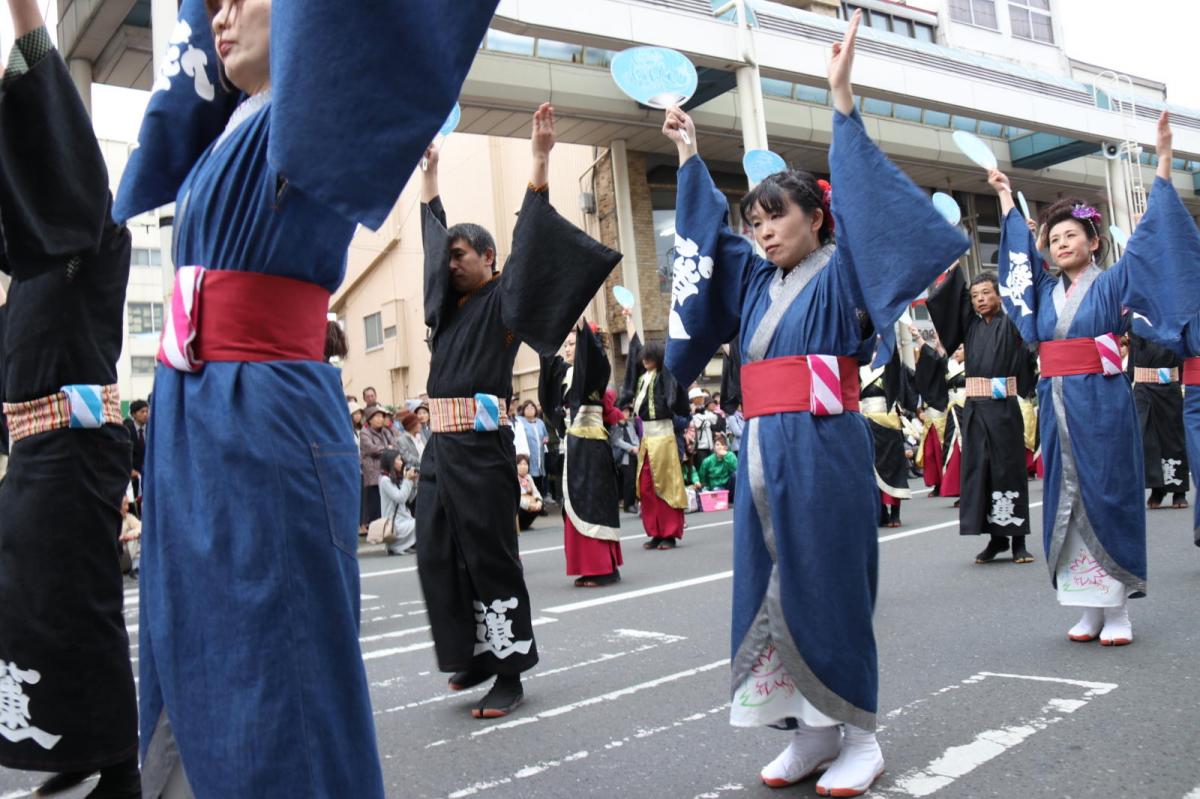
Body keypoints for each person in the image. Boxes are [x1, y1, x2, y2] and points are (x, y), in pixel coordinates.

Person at [113, 0, 498, 792]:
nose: (218, 19)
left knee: (278, 664)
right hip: (197, 417)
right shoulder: (233, 126)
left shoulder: (311, 116)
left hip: (261, 414)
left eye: (239, 0)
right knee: (197, 638)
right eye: (208, 5)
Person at [661, 13, 968, 795]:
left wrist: (842, 101)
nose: (762, 233)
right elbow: (709, 240)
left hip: (825, 442)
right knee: (770, 584)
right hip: (765, 446)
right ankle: (807, 731)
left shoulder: (846, 269)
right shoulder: (757, 279)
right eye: (756, 221)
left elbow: (870, 214)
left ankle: (859, 731)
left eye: (778, 218)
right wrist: (689, 154)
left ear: (818, 218)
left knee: (830, 579)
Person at [417, 102, 621, 718]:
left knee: (490, 555)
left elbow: (531, 242)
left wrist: (539, 159)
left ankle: (511, 671)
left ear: (489, 261)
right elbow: (430, 237)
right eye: (445, 255)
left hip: (482, 450)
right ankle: (474, 655)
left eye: (460, 255)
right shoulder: (443, 313)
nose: (449, 263)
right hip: (439, 449)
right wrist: (429, 174)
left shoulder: (505, 301)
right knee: (436, 552)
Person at [993, 108, 1200, 648]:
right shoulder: (1043, 292)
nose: (1060, 243)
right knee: (1066, 496)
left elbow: (1154, 241)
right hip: (1057, 399)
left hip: (1105, 402)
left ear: (1093, 239)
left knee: (1109, 493)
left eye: (1071, 234)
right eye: (1054, 238)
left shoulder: (1114, 282)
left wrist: (1161, 163)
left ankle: (1119, 607)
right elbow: (1017, 258)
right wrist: (1003, 197)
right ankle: (1085, 603)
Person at [0, 2, 141, 794]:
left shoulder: (93, 230)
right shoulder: (29, 263)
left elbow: (51, 136)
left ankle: (115, 763)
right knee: (35, 604)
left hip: (76, 449)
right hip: (34, 455)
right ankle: (74, 745)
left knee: (78, 604)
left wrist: (23, 20)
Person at [926, 267, 1036, 564]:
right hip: (975, 408)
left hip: (1003, 409)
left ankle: (1018, 541)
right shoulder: (970, 326)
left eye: (987, 292)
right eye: (975, 296)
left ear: (1000, 295)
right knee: (981, 471)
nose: (981, 299)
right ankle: (995, 539)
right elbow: (948, 299)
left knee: (1008, 471)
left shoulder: (1012, 323)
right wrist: (950, 265)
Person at [540, 325, 624, 586]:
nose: (567, 348)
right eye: (565, 344)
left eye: (572, 344)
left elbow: (594, 358)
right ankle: (588, 567)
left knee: (592, 504)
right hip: (573, 445)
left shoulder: (595, 371)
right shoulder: (567, 374)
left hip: (591, 447)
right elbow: (549, 389)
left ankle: (604, 568)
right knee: (574, 503)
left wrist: (587, 336)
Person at [620, 310, 691, 551]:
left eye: (648, 357)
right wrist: (629, 319)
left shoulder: (665, 375)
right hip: (647, 439)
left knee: (666, 485)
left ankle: (669, 533)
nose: (644, 360)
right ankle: (655, 532)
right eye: (643, 357)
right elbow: (634, 346)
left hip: (664, 436)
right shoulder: (643, 377)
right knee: (648, 487)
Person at [1126, 330, 1189, 509]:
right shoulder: (1135, 313)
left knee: (1173, 437)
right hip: (1143, 384)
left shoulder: (1173, 313)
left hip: (1170, 382)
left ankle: (1179, 491)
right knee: (1144, 435)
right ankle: (1157, 487)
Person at [860, 347, 915, 528]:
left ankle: (895, 513)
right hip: (867, 424)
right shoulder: (859, 370)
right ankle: (881, 511)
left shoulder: (889, 369)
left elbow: (904, 385)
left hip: (889, 425)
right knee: (871, 468)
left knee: (893, 468)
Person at [360, 403, 397, 525]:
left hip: (387, 472)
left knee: (387, 503)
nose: (381, 419)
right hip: (373, 473)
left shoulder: (386, 431)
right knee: (375, 504)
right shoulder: (365, 433)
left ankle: (387, 528)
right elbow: (372, 449)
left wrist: (391, 429)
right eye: (377, 416)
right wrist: (388, 449)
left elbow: (396, 444)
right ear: (370, 420)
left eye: (382, 416)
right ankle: (376, 530)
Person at [379, 450, 418, 556]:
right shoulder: (384, 480)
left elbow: (408, 499)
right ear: (391, 462)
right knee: (422, 523)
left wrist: (413, 483)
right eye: (399, 459)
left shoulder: (396, 478)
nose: (402, 462)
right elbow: (400, 498)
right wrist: (407, 480)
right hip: (394, 524)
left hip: (404, 519)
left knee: (422, 521)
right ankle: (397, 546)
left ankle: (405, 546)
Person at [610, 403, 641, 513]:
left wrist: (637, 446)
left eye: (628, 411)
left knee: (631, 480)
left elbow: (635, 437)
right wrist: (631, 448)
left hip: (632, 455)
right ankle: (628, 504)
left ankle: (629, 503)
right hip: (622, 456)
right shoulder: (615, 426)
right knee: (628, 480)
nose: (627, 413)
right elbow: (616, 441)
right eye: (624, 411)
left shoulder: (630, 425)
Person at [515, 401, 550, 498]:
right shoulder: (520, 421)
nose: (530, 409)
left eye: (532, 407)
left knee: (539, 480)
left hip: (539, 456)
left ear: (536, 410)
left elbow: (546, 435)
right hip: (526, 457)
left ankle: (538, 502)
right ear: (523, 410)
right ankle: (527, 504)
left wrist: (546, 439)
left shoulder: (540, 423)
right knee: (527, 479)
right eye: (527, 408)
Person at [697, 437, 738, 505]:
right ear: (714, 447)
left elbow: (736, 467)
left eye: (722, 445)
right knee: (716, 490)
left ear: (725, 447)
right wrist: (706, 487)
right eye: (717, 444)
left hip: (728, 485)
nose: (719, 447)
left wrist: (726, 455)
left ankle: (733, 499)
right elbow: (702, 476)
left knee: (735, 474)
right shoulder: (708, 461)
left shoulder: (730, 455)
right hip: (716, 486)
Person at [124, 399, 149, 504]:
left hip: (148, 472)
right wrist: (129, 469)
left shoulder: (152, 429)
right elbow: (124, 453)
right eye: (142, 412)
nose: (146, 414)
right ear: (134, 414)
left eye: (147, 411)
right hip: (134, 473)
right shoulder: (126, 430)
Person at [515, 453, 544, 531]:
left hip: (530, 503)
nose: (523, 466)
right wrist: (529, 505)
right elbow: (517, 498)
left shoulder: (529, 478)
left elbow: (536, 492)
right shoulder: (513, 479)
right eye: (520, 464)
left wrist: (539, 502)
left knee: (540, 506)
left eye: (525, 464)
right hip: (520, 505)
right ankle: (518, 525)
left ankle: (525, 525)